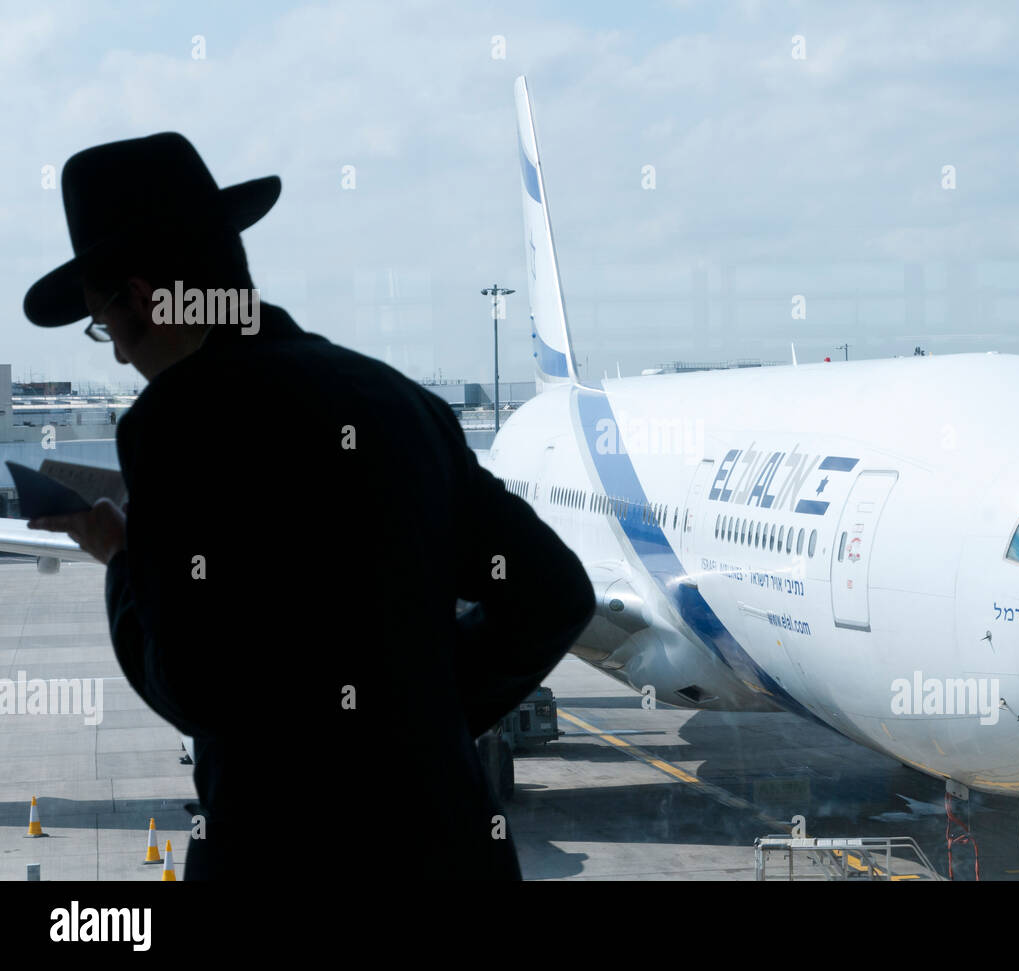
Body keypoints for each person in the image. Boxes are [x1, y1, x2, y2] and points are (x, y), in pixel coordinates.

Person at [23, 132, 594, 880]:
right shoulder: (398, 402)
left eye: (104, 329)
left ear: (140, 301)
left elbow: (191, 683)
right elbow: (556, 593)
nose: (122, 357)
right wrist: (418, 717)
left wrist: (121, 558)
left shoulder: (176, 424)